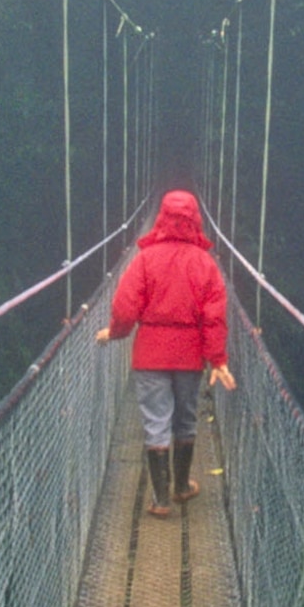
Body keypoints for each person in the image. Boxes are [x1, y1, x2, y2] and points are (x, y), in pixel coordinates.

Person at [99, 189, 236, 517]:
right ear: (196, 221)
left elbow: (124, 304)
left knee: (155, 423)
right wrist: (217, 359)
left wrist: (116, 332)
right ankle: (181, 487)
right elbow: (213, 316)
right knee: (185, 419)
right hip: (189, 357)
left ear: (160, 218)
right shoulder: (206, 264)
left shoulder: (144, 260)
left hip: (150, 355)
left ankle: (160, 501)